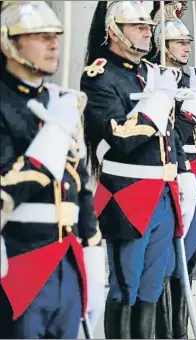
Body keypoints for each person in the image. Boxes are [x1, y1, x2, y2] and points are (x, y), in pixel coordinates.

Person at [80, 1, 196, 338]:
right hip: (127, 196)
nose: (148, 31)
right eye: (138, 26)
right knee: (126, 286)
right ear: (114, 31)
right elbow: (119, 137)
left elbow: (170, 134)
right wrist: (153, 108)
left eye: (148, 25)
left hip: (163, 194)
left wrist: (183, 172)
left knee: (152, 286)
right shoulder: (100, 75)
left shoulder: (151, 72)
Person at [0, 1, 104, 338]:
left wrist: (90, 250)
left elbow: (80, 181)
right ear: (9, 43)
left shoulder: (60, 101)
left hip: (66, 260)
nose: (53, 44)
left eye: (55, 36)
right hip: (19, 260)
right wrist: (51, 141)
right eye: (40, 36)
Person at [149, 2, 196, 338]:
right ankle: (167, 332)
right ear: (163, 45)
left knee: (189, 257)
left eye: (188, 42)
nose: (186, 48)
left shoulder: (195, 77)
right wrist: (186, 113)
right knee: (169, 259)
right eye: (179, 43)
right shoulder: (156, 79)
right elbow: (165, 133)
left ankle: (180, 329)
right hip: (175, 173)